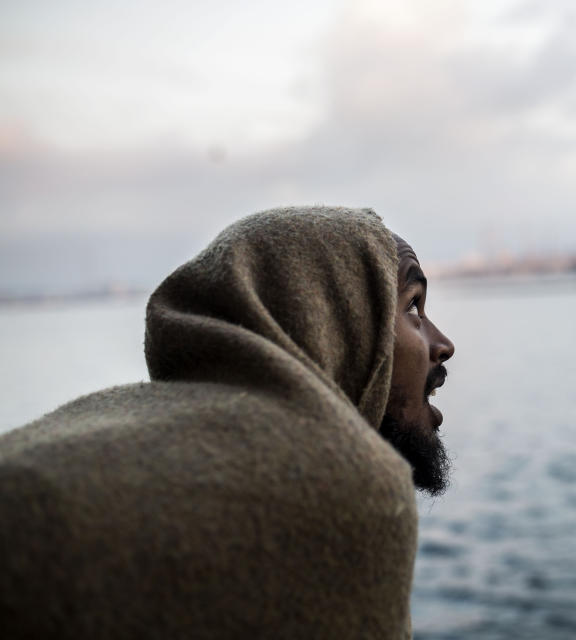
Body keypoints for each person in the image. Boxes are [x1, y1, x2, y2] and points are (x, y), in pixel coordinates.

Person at [0, 206, 455, 639]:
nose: (443, 344)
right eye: (413, 307)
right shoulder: (349, 489)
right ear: (335, 322)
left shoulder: (100, 420)